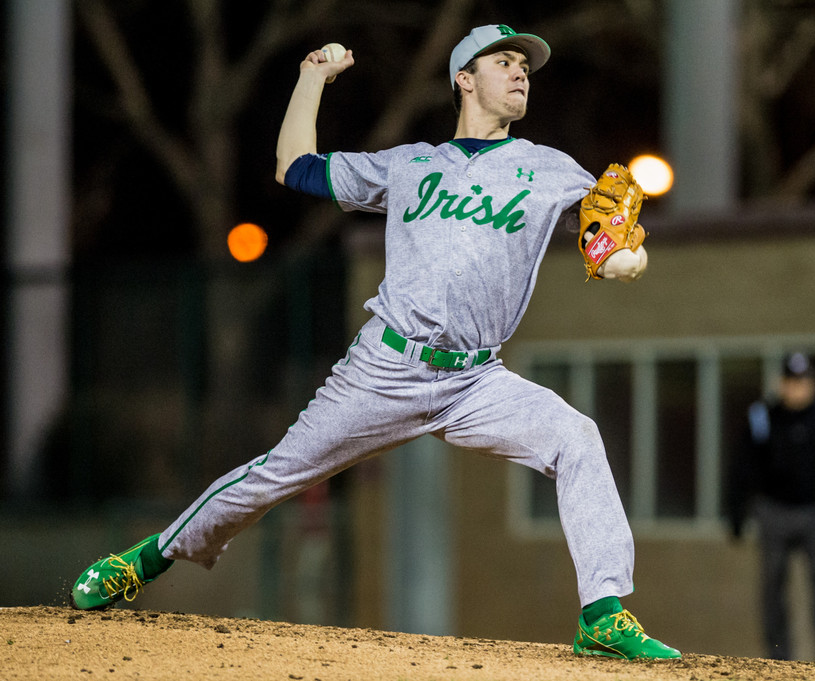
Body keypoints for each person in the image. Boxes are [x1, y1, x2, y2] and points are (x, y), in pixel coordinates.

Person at [69, 24, 680, 661]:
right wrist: (311, 79)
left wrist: (622, 257)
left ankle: (602, 613)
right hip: (385, 368)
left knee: (576, 437)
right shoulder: (409, 164)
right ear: (463, 80)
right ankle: (145, 559)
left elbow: (607, 237)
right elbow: (295, 168)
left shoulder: (553, 169)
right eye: (504, 61)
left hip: (477, 381)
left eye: (524, 64)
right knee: (275, 475)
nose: (521, 71)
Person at [727, 352, 815, 662]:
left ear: (812, 384)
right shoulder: (763, 416)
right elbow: (741, 468)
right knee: (772, 585)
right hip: (773, 511)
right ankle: (778, 655)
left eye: (802, 382)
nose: (796, 389)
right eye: (790, 382)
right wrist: (736, 511)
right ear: (781, 384)